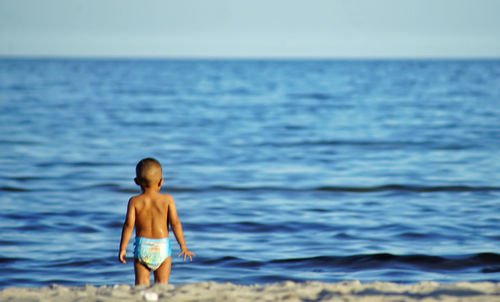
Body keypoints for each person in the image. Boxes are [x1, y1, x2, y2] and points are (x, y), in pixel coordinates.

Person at [118, 157, 195, 285]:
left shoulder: (134, 201)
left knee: (141, 284)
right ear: (161, 182)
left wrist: (123, 248)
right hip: (162, 248)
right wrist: (183, 246)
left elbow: (128, 225)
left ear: (136, 182)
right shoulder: (168, 200)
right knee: (162, 284)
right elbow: (175, 223)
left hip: (143, 248)